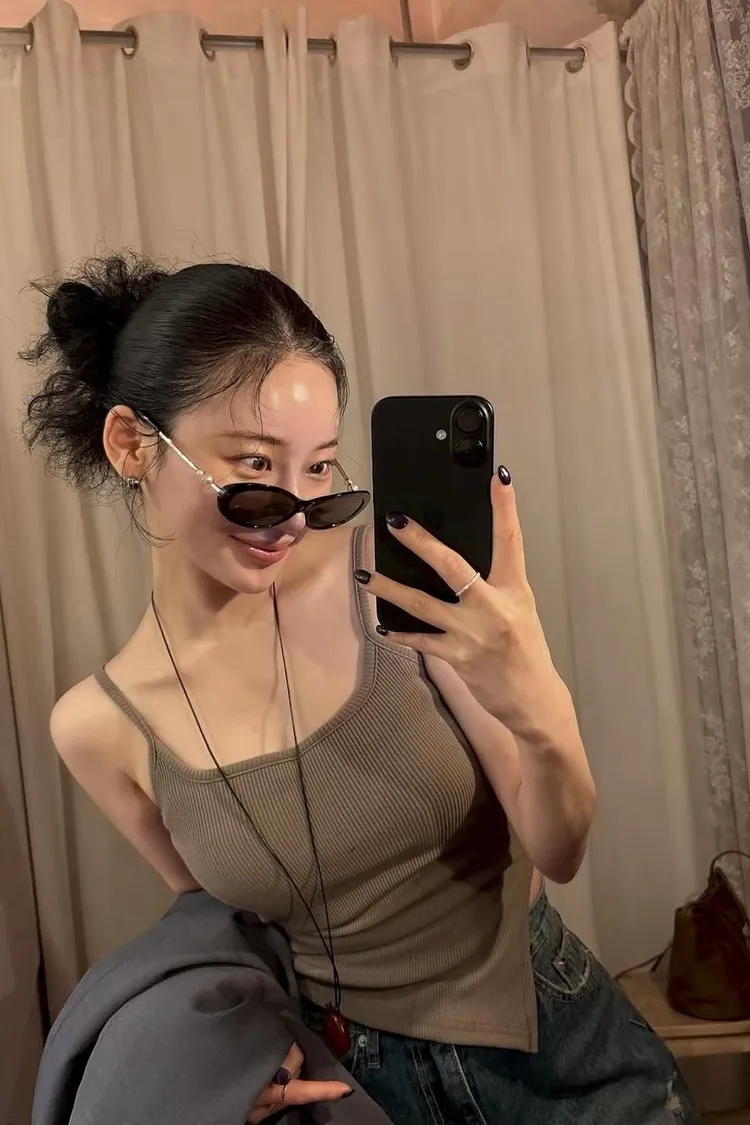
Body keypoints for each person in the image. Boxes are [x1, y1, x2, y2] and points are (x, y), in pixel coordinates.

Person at [22, 254, 700, 1125]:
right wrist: (228, 1072)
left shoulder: (386, 571)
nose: (293, 514)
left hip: (562, 1055)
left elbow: (559, 849)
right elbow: (224, 932)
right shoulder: (96, 727)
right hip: (360, 1089)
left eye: (319, 470)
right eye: (255, 462)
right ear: (131, 444)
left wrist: (540, 709)